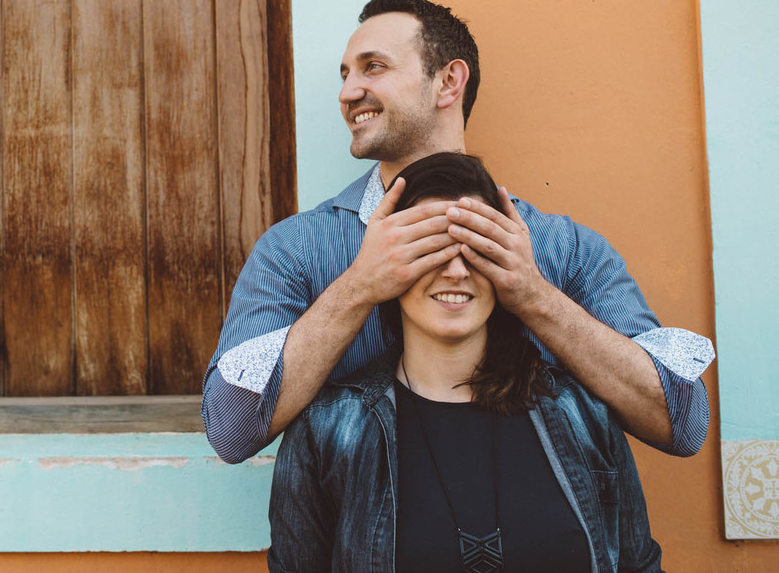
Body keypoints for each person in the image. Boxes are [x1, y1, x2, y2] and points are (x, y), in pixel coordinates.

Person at [202, 0, 712, 464]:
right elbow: (232, 432)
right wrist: (359, 286)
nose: (348, 92)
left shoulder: (564, 248)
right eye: (345, 74)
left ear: (449, 82)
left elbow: (682, 424)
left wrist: (533, 296)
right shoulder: (295, 250)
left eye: (372, 67)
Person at [267, 152, 664, 573]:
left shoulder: (584, 413)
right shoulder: (326, 430)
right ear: (387, 268)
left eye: (475, 249)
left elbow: (638, 563)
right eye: (431, 248)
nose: (455, 271)